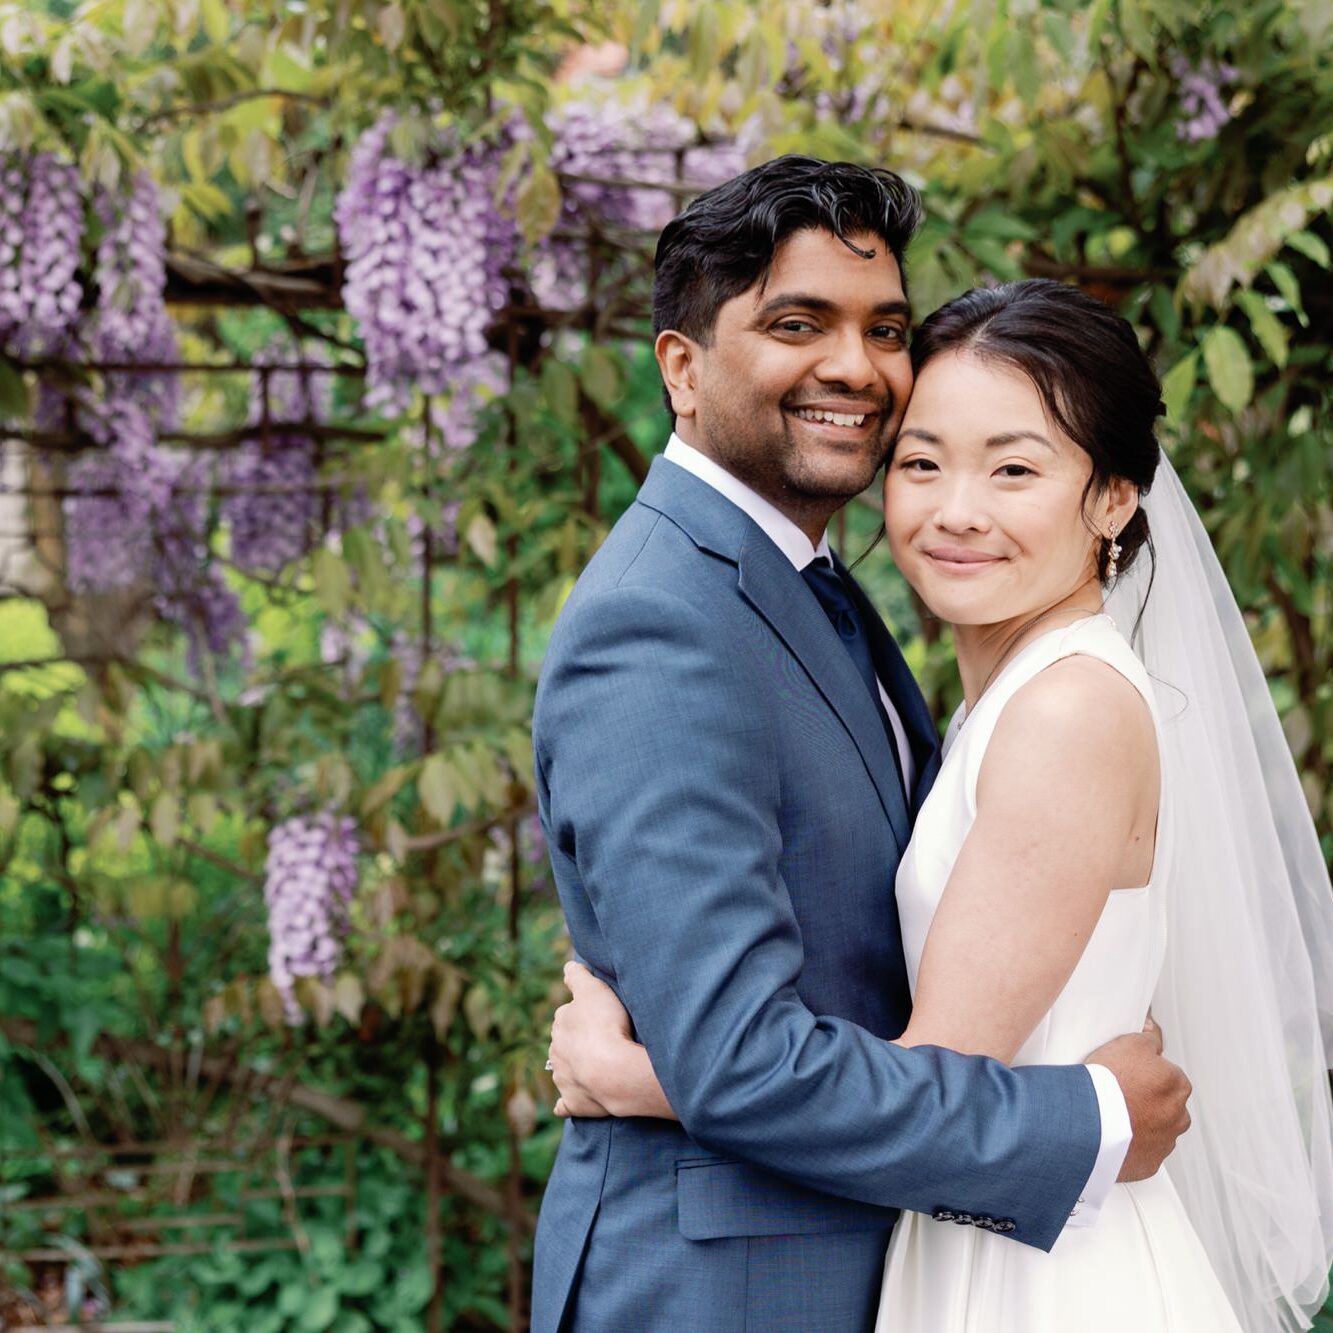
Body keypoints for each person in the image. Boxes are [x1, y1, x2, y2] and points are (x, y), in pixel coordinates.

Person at [546, 279, 1333, 1330]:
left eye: (1014, 469)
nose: (954, 510)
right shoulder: (999, 693)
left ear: (1112, 498)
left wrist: (636, 1074)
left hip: (1039, 1272)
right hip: (990, 1230)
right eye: (920, 463)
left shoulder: (1065, 711)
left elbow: (930, 1075)